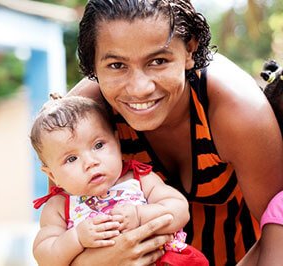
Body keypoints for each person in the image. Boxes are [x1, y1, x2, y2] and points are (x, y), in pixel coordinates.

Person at [64, 0, 283, 265]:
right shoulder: (78, 121)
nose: (140, 88)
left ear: (190, 49)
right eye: (117, 66)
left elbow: (277, 231)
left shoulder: (237, 110)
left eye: (158, 61)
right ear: (92, 63)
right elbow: (58, 234)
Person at [31, 95, 209, 266]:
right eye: (71, 159)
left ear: (117, 142)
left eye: (98, 145)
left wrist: (140, 215)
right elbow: (45, 256)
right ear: (52, 175)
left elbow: (179, 210)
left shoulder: (138, 179)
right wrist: (77, 237)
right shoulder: (59, 207)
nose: (91, 162)